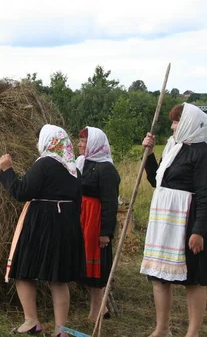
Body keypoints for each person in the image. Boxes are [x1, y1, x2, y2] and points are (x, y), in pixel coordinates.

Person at [140, 103, 207, 337]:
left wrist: (199, 231)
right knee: (159, 277)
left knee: (193, 280)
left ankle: (192, 332)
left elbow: (206, 197)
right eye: (173, 122)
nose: (173, 126)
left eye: (176, 121)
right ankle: (162, 329)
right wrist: (149, 155)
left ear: (188, 123)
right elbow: (159, 182)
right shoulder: (173, 148)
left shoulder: (204, 154)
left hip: (188, 222)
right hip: (165, 223)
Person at [0, 125, 84, 337]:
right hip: (67, 223)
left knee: (23, 269)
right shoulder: (74, 169)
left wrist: (7, 170)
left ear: (48, 141)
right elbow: (78, 201)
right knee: (58, 277)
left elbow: (21, 191)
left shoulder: (45, 163)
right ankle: (60, 330)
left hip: (41, 222)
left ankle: (31, 320)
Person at [76, 127, 120, 322]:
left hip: (95, 221)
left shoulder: (107, 169)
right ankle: (100, 309)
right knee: (84, 267)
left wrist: (105, 232)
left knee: (96, 270)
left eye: (83, 141)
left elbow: (111, 204)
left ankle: (96, 312)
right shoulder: (82, 163)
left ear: (93, 144)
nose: (79, 144)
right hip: (82, 218)